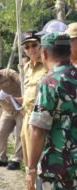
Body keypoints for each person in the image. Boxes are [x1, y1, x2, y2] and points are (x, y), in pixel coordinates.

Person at [26, 32, 77, 190]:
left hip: (58, 168)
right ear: (69, 51)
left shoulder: (50, 82)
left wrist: (31, 169)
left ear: (45, 53)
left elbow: (38, 130)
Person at [19, 30, 48, 167]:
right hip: (26, 116)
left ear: (41, 45)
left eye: (34, 45)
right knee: (28, 160)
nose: (31, 49)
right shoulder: (26, 68)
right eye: (27, 47)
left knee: (39, 160)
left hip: (40, 118)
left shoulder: (48, 65)